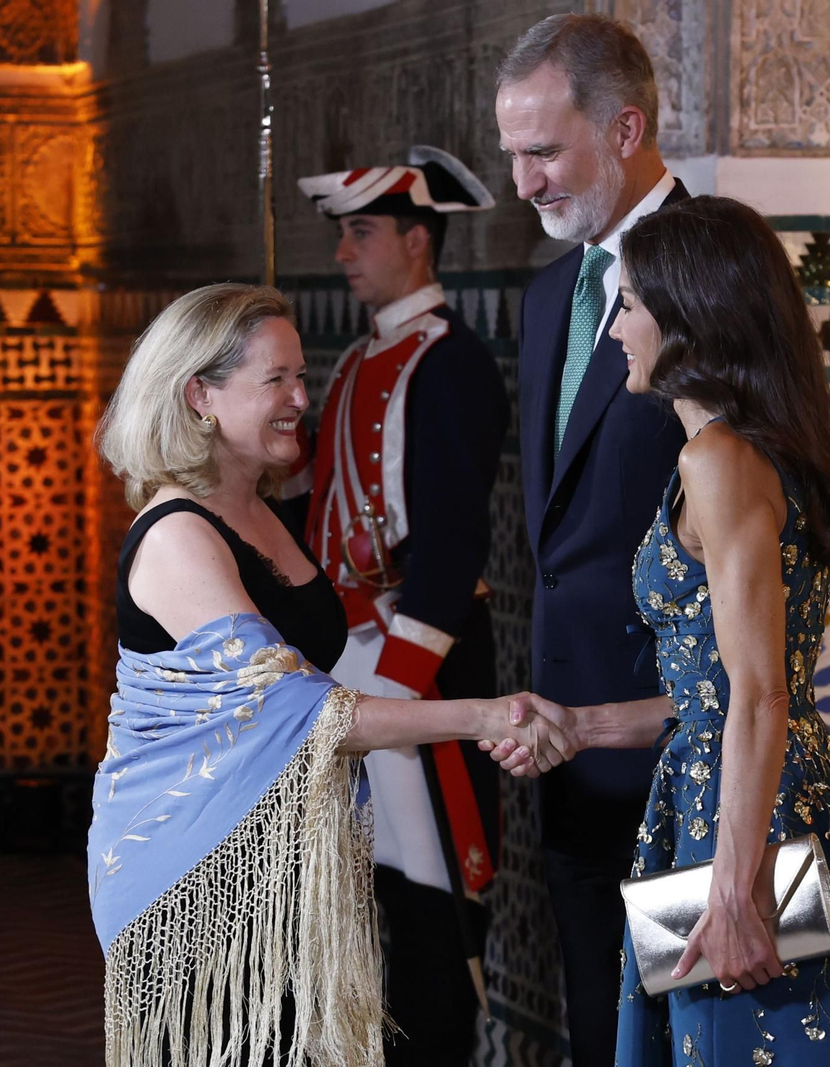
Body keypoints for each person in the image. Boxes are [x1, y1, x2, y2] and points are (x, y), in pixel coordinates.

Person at [86, 283, 566, 1067]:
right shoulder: (177, 535)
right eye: (276, 380)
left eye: (301, 377)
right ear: (199, 395)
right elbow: (307, 714)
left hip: (284, 863)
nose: (300, 400)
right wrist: (485, 715)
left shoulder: (262, 510)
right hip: (193, 875)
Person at [488, 197, 830, 1066]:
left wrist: (736, 895)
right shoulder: (747, 450)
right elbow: (714, 689)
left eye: (632, 305)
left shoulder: (716, 459)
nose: (616, 330)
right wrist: (584, 726)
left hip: (747, 828)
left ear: (688, 319)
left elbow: (760, 693)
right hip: (747, 804)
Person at [494, 15, 689, 1062]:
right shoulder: (546, 296)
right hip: (570, 762)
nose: (523, 182)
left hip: (691, 765)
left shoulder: (717, 273)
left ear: (624, 130)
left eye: (543, 151)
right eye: (511, 154)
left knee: (702, 1033)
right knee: (605, 1040)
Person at [293, 146, 509, 1065]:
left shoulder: (450, 363)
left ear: (418, 241)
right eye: (344, 234)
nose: (345, 252)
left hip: (415, 667)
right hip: (349, 659)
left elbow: (453, 541)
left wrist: (400, 686)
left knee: (431, 904)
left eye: (363, 233)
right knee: (366, 893)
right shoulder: (358, 357)